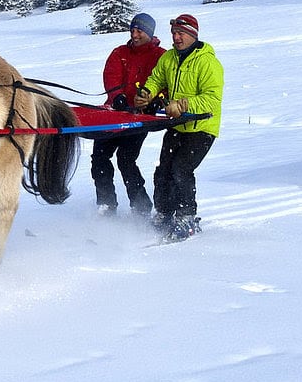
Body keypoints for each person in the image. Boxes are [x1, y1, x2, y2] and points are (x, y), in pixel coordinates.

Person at [135, 13, 223, 241]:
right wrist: (146, 93)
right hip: (177, 126)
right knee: (163, 170)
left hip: (202, 127)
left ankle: (187, 217)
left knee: (181, 170)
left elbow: (212, 99)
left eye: (181, 33)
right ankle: (164, 213)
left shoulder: (207, 61)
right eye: (174, 33)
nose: (176, 38)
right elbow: (157, 78)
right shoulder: (170, 58)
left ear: (192, 35)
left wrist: (183, 105)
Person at [91, 13, 166, 217]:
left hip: (139, 117)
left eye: (139, 30)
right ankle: (106, 204)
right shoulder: (120, 52)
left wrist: (156, 101)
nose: (134, 34)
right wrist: (117, 96)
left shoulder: (161, 55)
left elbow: (165, 83)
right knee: (99, 157)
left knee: (126, 159)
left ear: (149, 32)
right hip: (114, 113)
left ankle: (141, 206)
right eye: (132, 30)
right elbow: (111, 76)